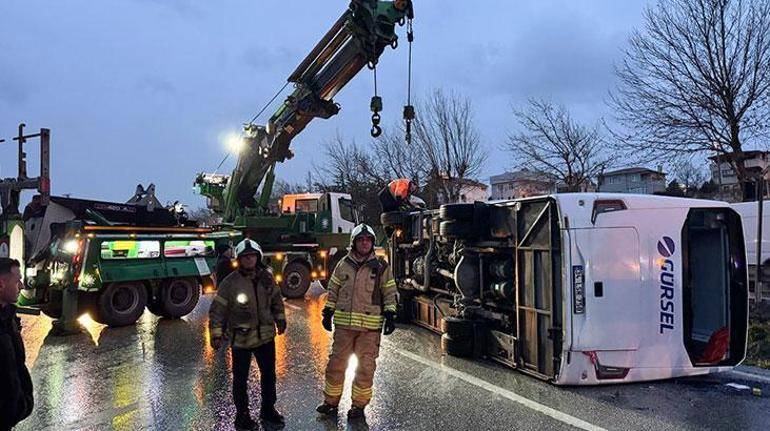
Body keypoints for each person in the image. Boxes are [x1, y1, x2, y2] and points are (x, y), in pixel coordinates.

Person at [316, 224, 397, 420]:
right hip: (344, 328)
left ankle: (358, 407)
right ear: (354, 242)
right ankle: (330, 403)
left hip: (369, 330)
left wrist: (390, 314)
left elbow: (389, 292)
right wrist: (328, 311)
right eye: (361, 240)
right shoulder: (343, 265)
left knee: (365, 368)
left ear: (372, 243)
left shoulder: (381, 267)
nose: (364, 243)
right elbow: (333, 290)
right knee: (336, 365)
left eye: (368, 240)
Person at [208, 239, 286, 430]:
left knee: (268, 376)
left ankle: (268, 409)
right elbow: (218, 310)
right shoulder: (230, 283)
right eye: (245, 257)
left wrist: (280, 320)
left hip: (266, 337)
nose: (249, 259)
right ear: (239, 259)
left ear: (257, 257)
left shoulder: (267, 277)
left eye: (252, 256)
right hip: (241, 340)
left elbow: (276, 300)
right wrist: (216, 334)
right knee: (240, 380)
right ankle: (242, 416)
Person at [0, 258, 34, 431]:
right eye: (17, 280)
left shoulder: (8, 318)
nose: (21, 286)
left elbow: (16, 365)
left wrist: (21, 405)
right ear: (1, 284)